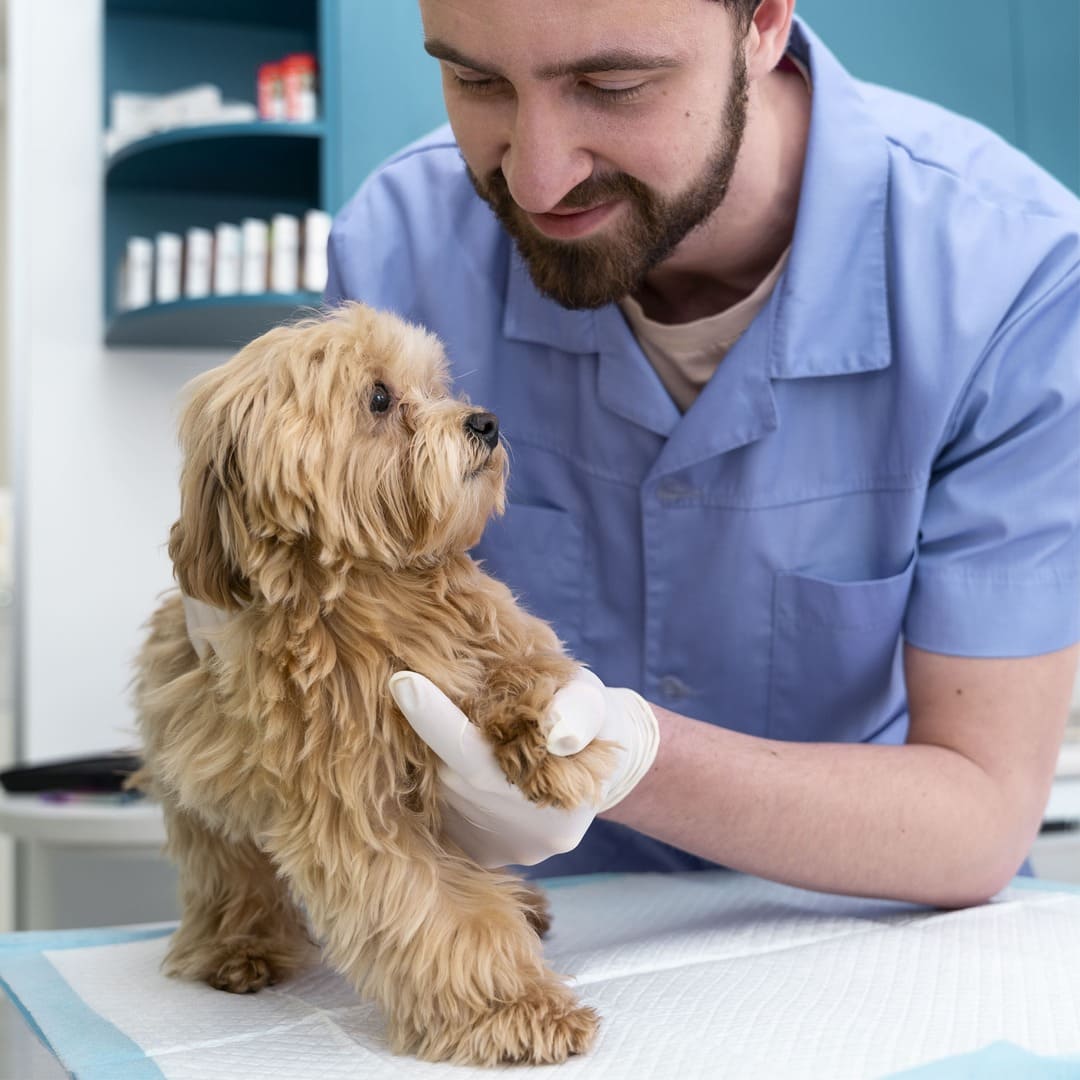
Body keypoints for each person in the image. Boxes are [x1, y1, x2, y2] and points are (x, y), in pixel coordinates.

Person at [322, 0, 1080, 906]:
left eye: (613, 86)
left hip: (862, 932)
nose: (536, 179)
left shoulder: (1014, 280)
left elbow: (979, 817)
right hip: (523, 943)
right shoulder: (395, 250)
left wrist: (625, 757)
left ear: (762, 23)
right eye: (476, 82)